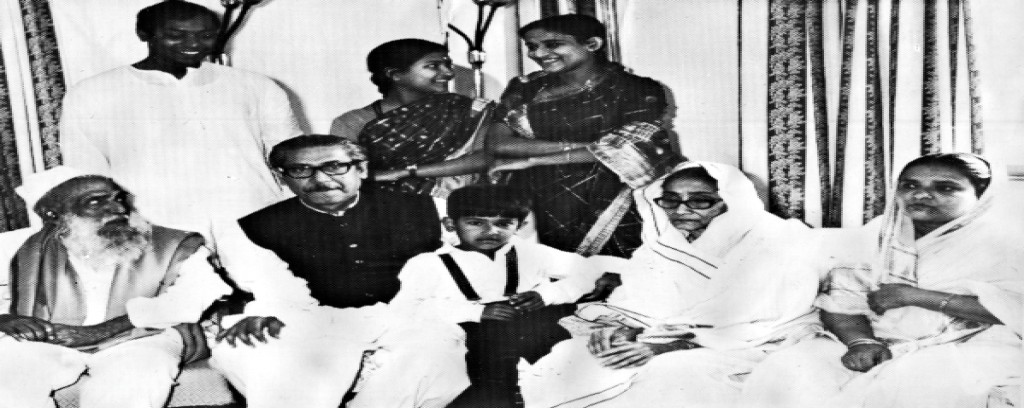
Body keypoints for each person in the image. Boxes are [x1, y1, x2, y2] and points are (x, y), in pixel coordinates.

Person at [518, 162, 825, 408]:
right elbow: (640, 303)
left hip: (748, 344)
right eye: (671, 200)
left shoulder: (774, 242)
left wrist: (666, 345)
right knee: (572, 358)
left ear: (732, 200)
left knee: (670, 376)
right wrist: (625, 329)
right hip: (660, 336)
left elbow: (762, 322)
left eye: (700, 201)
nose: (681, 211)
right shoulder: (664, 244)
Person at [737, 153, 1024, 408]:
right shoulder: (877, 235)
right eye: (909, 185)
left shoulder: (1005, 243)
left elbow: (1016, 309)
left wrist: (913, 296)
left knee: (914, 383)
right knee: (788, 369)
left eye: (946, 188)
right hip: (876, 336)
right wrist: (860, 342)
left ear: (981, 196)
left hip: (971, 342)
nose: (921, 194)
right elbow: (841, 302)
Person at [209, 135, 467, 408]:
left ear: (362, 169)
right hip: (314, 319)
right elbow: (274, 291)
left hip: (413, 316)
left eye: (334, 166)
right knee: (248, 349)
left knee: (433, 356)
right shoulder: (252, 228)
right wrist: (268, 314)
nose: (321, 179)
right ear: (282, 177)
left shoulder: (429, 209)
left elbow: (470, 265)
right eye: (301, 170)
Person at [60, 1, 302, 240]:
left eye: (206, 35)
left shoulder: (257, 86)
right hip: (156, 229)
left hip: (253, 218)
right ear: (143, 33)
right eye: (176, 35)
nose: (194, 44)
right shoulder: (93, 92)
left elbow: (292, 156)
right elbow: (86, 170)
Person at [0, 167, 230, 408]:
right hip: (49, 342)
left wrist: (101, 331)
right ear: (53, 214)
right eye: (95, 202)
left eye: (118, 198)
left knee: (131, 383)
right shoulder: (24, 248)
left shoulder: (171, 243)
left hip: (143, 338)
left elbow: (199, 293)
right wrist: (4, 319)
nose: (119, 209)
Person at [390, 185, 612, 407]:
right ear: (450, 224)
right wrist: (478, 312)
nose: (491, 231)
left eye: (503, 224)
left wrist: (545, 294)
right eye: (476, 223)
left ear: (519, 226)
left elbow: (589, 272)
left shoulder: (531, 253)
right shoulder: (428, 264)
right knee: (489, 377)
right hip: (473, 333)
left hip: (532, 324)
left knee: (566, 366)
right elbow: (407, 309)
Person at [487, 14, 679, 259]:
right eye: (532, 46)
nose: (538, 54)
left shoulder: (637, 88)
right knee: (545, 269)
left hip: (614, 196)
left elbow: (636, 149)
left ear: (592, 44)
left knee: (610, 271)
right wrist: (598, 147)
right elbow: (498, 144)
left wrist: (533, 159)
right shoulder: (525, 88)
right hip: (537, 197)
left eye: (553, 44)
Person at [330, 38, 493, 198]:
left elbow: (487, 157)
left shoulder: (468, 110)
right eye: (433, 66)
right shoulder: (352, 122)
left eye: (448, 65)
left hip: (460, 202)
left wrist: (403, 172)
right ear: (394, 74)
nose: (449, 73)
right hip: (385, 205)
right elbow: (345, 175)